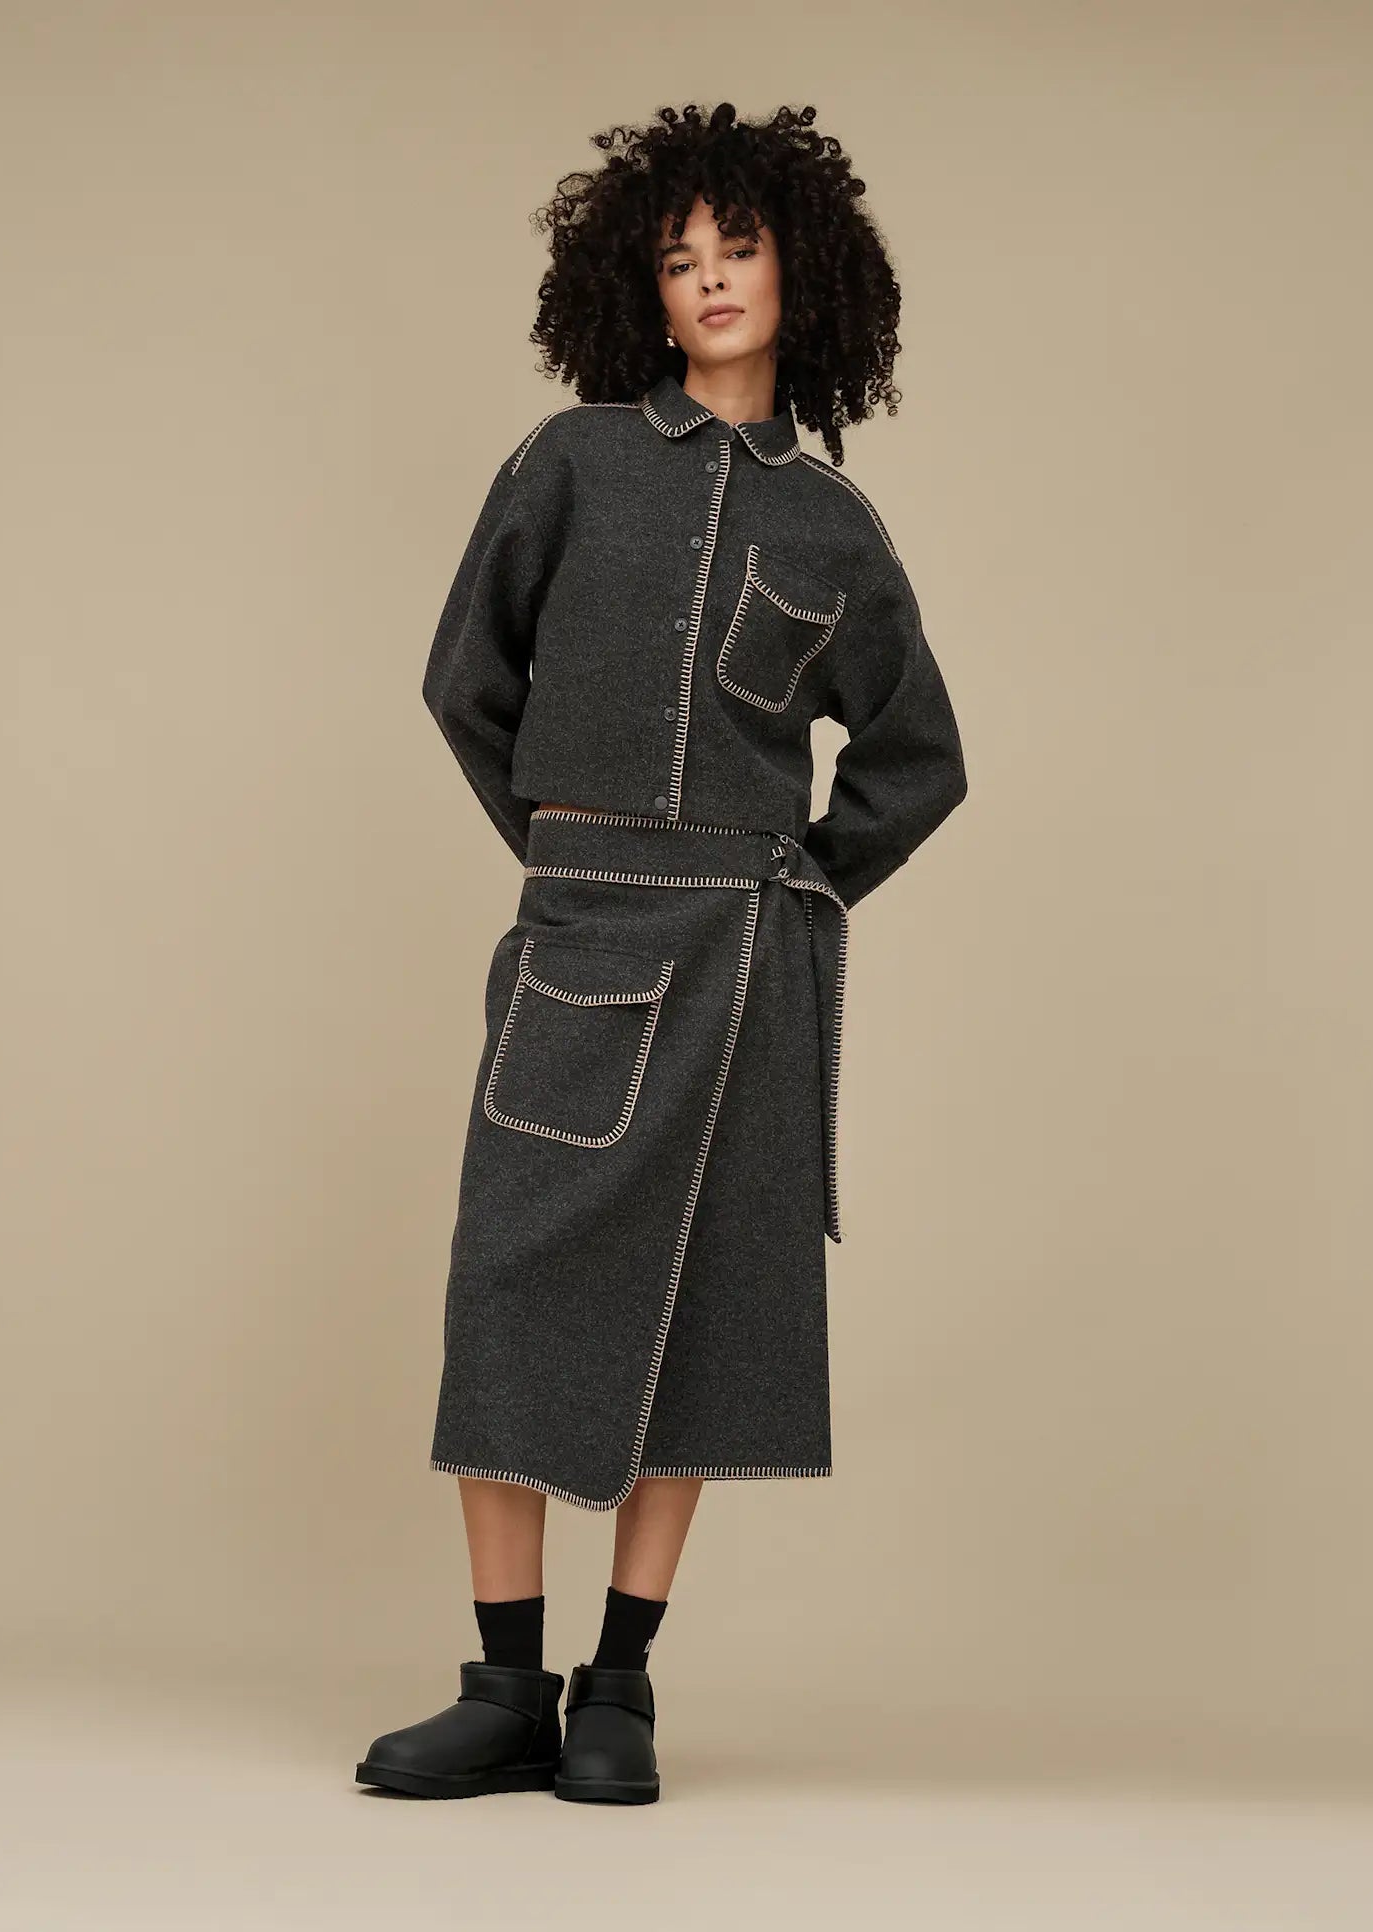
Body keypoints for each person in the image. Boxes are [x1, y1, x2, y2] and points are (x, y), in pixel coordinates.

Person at [355, 100, 968, 1806]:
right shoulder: (569, 463)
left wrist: (796, 886)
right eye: (678, 258)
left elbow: (919, 760)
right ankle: (503, 1689)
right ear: (637, 289)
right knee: (506, 1294)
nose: (709, 279)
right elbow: (466, 681)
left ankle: (618, 1684)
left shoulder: (836, 529)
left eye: (739, 249)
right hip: (577, 938)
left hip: (739, 962)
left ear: (802, 273)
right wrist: (567, 860)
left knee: (696, 1316)